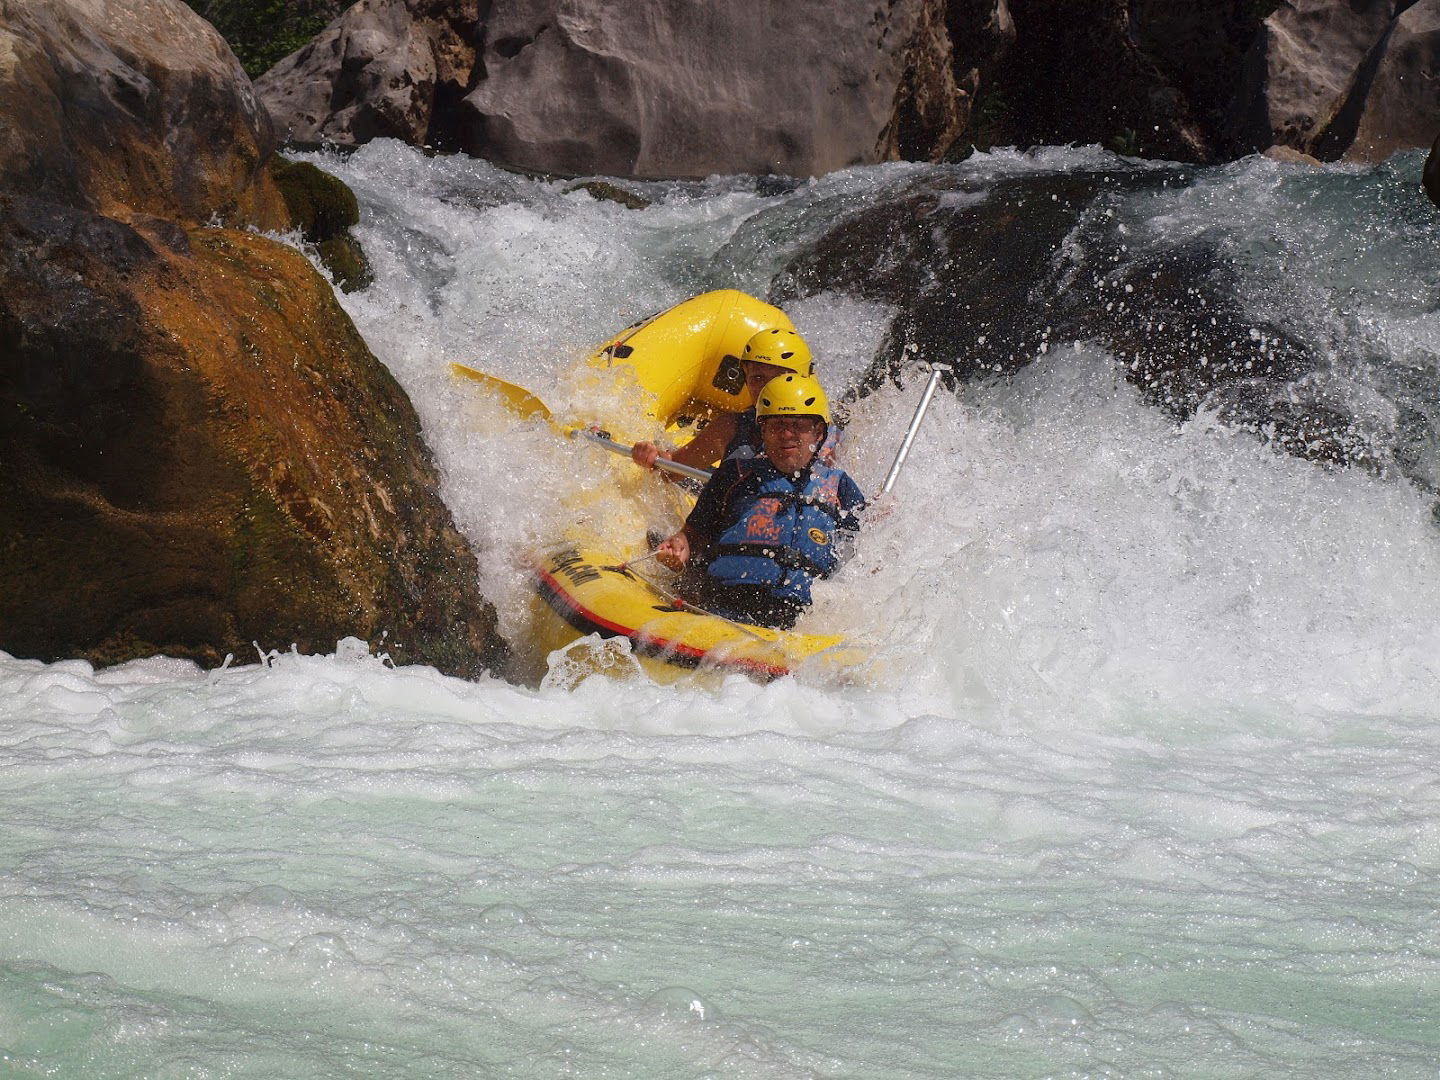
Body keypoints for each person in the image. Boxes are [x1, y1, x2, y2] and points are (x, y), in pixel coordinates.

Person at [653, 373, 866, 629]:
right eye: (776, 425)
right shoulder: (735, 475)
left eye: (798, 425)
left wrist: (881, 518)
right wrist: (679, 547)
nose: (787, 434)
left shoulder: (839, 486)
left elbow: (864, 555)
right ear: (762, 430)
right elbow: (692, 536)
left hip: (801, 624)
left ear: (818, 432)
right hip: (721, 608)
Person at [630, 327, 837, 475]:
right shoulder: (731, 427)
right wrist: (651, 457)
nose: (766, 388)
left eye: (777, 378)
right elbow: (673, 468)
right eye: (757, 378)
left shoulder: (820, 435)